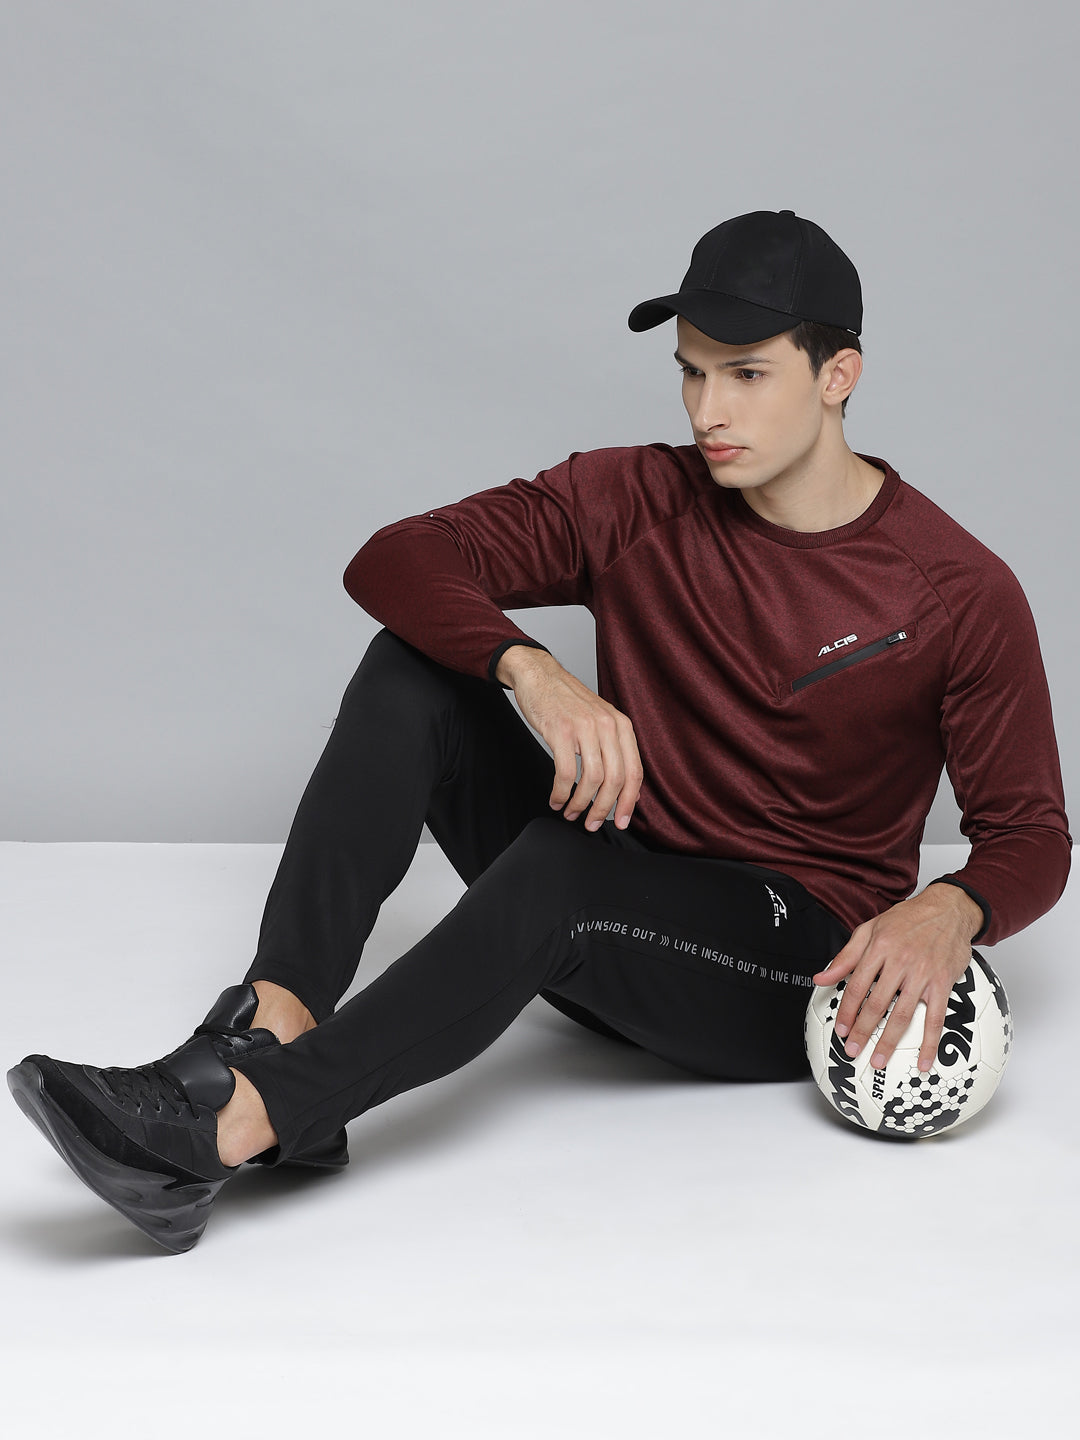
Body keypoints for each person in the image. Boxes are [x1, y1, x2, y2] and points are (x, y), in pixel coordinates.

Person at [8, 210, 1070, 1253]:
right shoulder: (635, 498)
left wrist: (949, 908)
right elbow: (398, 555)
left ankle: (243, 1125)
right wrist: (532, 669)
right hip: (612, 911)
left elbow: (1031, 832)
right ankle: (270, 1022)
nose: (709, 409)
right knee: (413, 667)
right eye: (692, 372)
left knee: (566, 867)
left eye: (747, 373)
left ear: (839, 375)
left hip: (786, 966)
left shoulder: (955, 589)